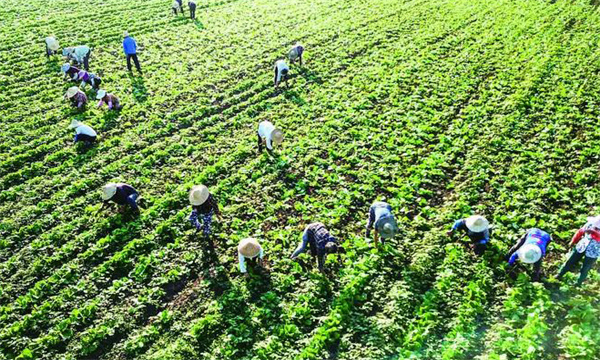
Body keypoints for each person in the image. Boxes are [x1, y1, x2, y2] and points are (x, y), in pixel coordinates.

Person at [557, 216, 600, 286]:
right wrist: (573, 241)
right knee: (570, 261)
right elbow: (580, 232)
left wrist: (597, 234)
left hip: (593, 252)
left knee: (586, 268)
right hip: (582, 246)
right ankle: (559, 275)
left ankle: (578, 283)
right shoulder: (590, 224)